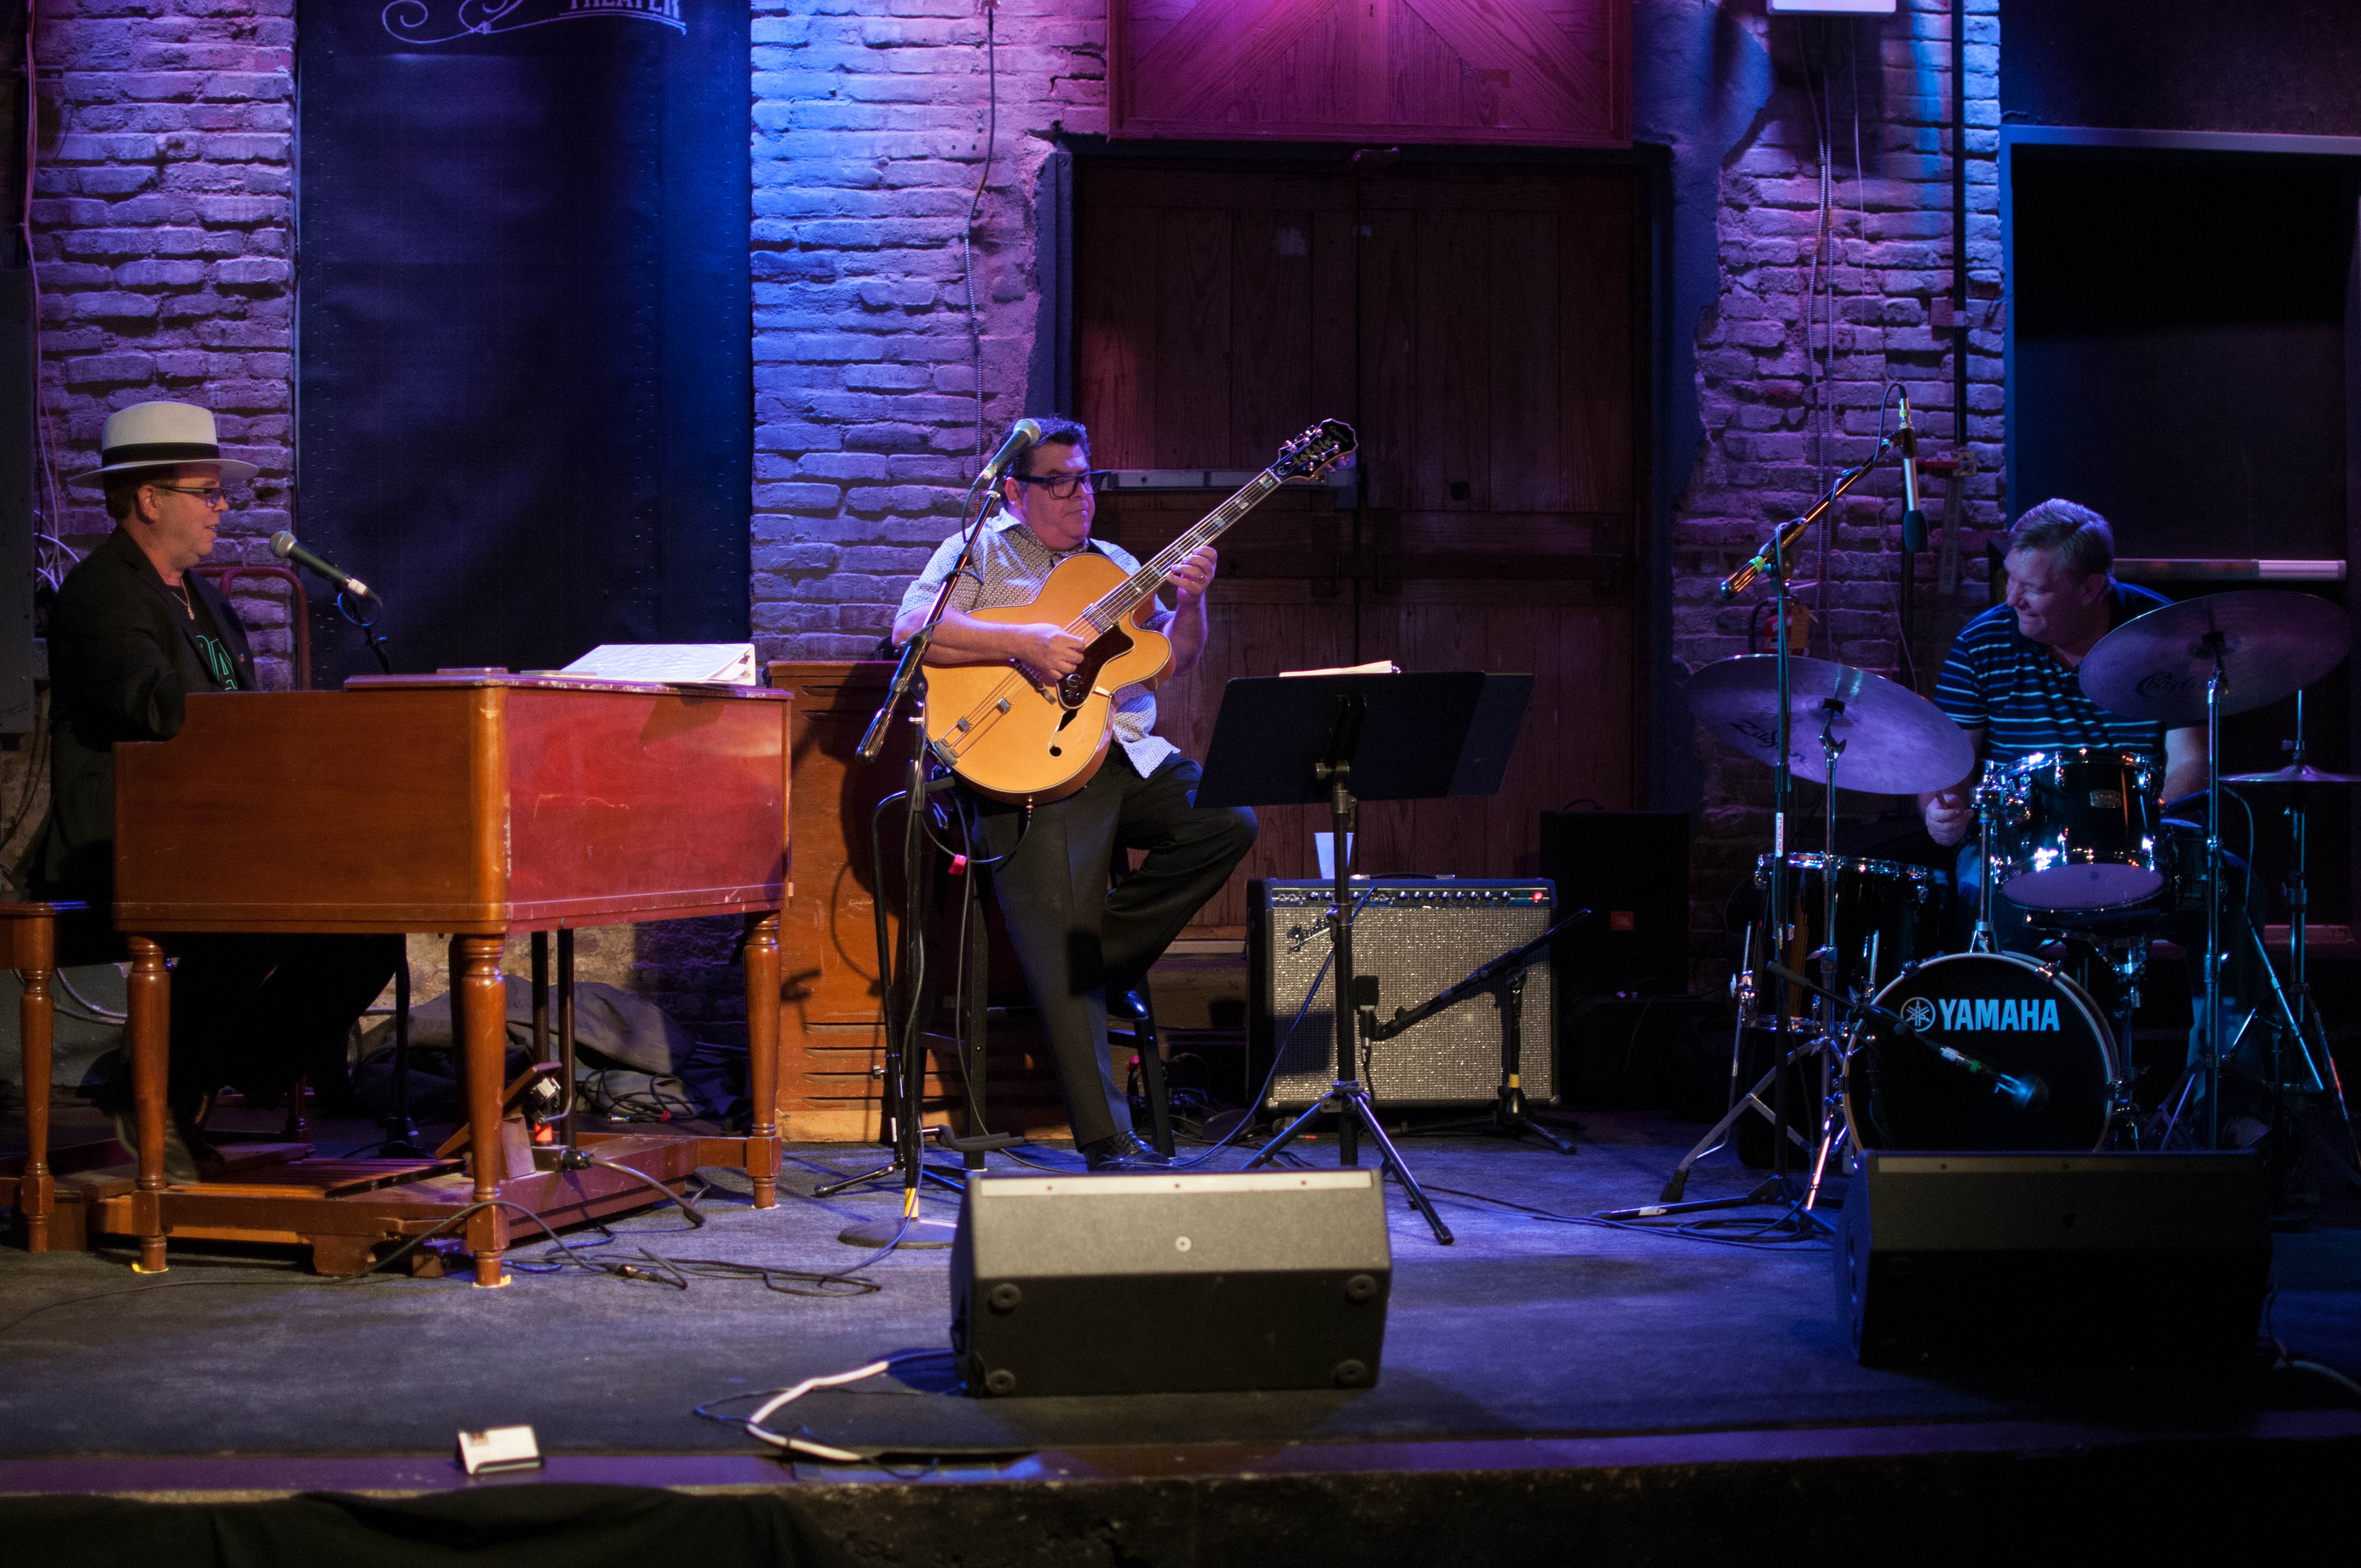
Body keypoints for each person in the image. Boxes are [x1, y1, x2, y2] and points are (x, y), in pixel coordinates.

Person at [22, 400, 401, 1178]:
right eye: (207, 491)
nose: (222, 507)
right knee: (245, 911)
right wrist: (267, 730)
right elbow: (155, 707)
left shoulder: (210, 602)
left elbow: (236, 722)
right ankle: (164, 1083)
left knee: (373, 923)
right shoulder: (100, 595)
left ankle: (209, 1073)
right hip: (123, 836)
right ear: (148, 498)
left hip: (213, 834)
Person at [892, 417, 1257, 1170]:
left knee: (1226, 819)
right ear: (1015, 491)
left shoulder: (1116, 565)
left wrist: (1192, 602)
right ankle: (1107, 1139)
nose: (1078, 495)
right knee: (1060, 920)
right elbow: (912, 629)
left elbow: (1173, 659)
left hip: (1121, 752)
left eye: (1084, 479)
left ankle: (1092, 960)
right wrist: (1024, 642)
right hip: (1029, 764)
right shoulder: (979, 550)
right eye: (1058, 482)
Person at [1918, 498, 2261, 1106]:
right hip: (2016, 848)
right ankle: (2017, 1091)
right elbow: (1949, 765)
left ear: (2091, 587)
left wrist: (2137, 824)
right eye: (2011, 579)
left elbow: (2191, 760)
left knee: (2230, 887)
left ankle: (2224, 1097)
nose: (2013, 598)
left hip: (2142, 837)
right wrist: (1940, 810)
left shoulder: (2163, 635)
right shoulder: (1984, 642)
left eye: (2033, 588)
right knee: (1978, 892)